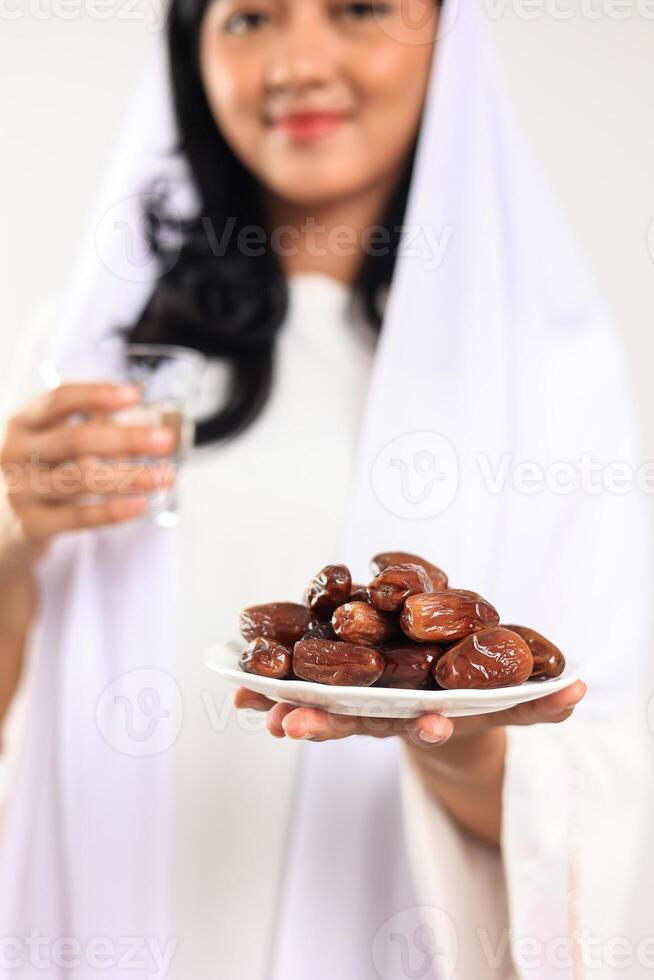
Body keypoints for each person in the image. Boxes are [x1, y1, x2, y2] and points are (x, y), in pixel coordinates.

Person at [0, 0, 652, 977]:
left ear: (448, 32)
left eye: (358, 9)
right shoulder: (94, 359)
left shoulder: (548, 378)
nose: (299, 63)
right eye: (250, 17)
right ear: (190, 45)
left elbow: (610, 793)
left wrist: (450, 739)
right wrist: (13, 540)